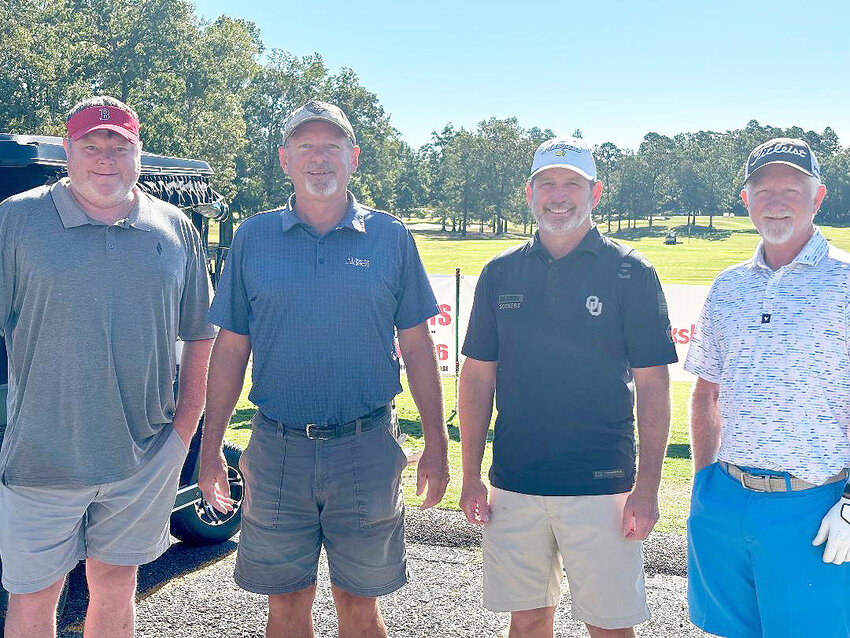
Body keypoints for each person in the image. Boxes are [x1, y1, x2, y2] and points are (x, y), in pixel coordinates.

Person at [198, 100, 449, 638]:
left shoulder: (390, 237)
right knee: (286, 607)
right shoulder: (253, 238)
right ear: (284, 159)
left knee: (359, 607)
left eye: (330, 147)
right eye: (305, 147)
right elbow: (231, 348)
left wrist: (437, 442)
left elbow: (419, 347)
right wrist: (211, 444)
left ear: (353, 158)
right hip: (277, 448)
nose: (319, 159)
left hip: (366, 448)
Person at [0, 96, 215, 638]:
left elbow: (201, 334)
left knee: (117, 587)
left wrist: (183, 432)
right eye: (91, 146)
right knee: (33, 600)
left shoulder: (175, 227)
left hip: (143, 458)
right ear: (68, 151)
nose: (105, 159)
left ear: (137, 152)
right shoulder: (17, 221)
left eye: (118, 146)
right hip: (40, 460)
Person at [458, 136, 677, 638]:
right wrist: (471, 474)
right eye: (548, 183)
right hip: (515, 481)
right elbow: (477, 377)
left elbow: (653, 386)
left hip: (603, 485)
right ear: (530, 192)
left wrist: (647, 487)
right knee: (529, 619)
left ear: (595, 193)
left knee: (610, 626)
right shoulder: (499, 272)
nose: (560, 195)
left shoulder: (631, 271)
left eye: (572, 184)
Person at [685, 137, 850, 638]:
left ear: (819, 197)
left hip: (817, 508)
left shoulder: (846, 282)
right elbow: (706, 392)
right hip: (727, 499)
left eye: (793, 189)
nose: (777, 201)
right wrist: (703, 483)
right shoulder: (728, 285)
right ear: (746, 200)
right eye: (763, 188)